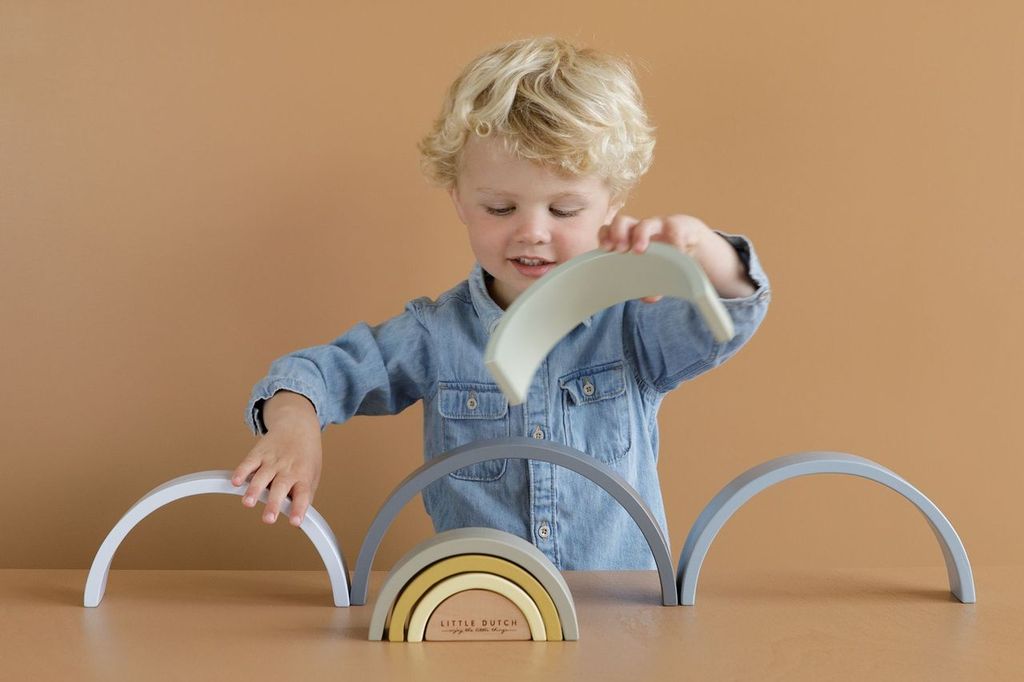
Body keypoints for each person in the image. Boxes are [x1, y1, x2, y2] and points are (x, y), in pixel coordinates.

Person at [232, 36, 770, 569]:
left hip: (621, 624)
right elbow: (318, 372)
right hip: (482, 620)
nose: (532, 232)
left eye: (564, 210)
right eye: (499, 207)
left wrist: (705, 251)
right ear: (460, 201)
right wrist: (294, 424)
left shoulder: (632, 326)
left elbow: (731, 316)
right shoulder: (434, 334)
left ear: (612, 204)